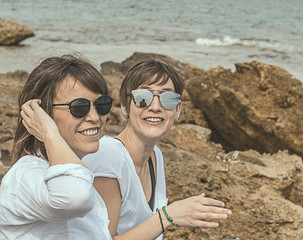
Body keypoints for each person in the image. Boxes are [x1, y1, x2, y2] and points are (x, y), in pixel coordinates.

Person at [83, 60, 232, 239]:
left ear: (177, 110)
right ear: (124, 106)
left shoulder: (155, 156)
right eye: (142, 98)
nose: (155, 107)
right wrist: (167, 217)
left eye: (168, 99)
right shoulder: (108, 157)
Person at [0, 54, 114, 239]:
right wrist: (49, 132)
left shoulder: (70, 169)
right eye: (78, 107)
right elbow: (75, 198)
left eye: (102, 105)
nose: (94, 117)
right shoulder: (27, 175)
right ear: (43, 114)